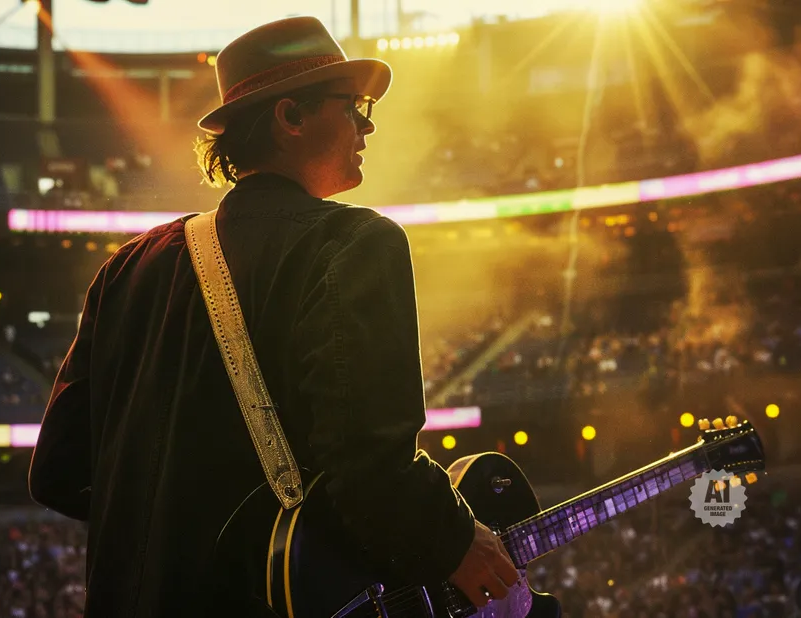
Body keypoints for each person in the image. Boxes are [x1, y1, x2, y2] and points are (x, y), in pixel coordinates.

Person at [28, 15, 519, 617]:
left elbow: (57, 471)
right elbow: (368, 465)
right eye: (355, 106)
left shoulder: (124, 270)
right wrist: (456, 541)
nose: (367, 126)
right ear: (290, 117)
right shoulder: (354, 243)